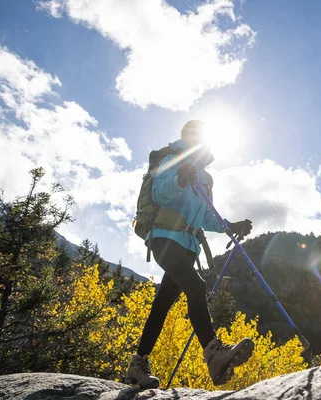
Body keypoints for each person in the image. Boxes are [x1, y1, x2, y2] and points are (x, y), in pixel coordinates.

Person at [125, 120, 254, 389]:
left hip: (188, 246)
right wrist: (180, 179)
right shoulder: (171, 159)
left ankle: (137, 365)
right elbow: (160, 194)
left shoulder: (205, 177)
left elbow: (207, 215)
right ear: (184, 136)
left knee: (161, 306)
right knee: (196, 286)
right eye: (192, 135)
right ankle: (214, 356)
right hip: (162, 237)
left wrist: (230, 226)